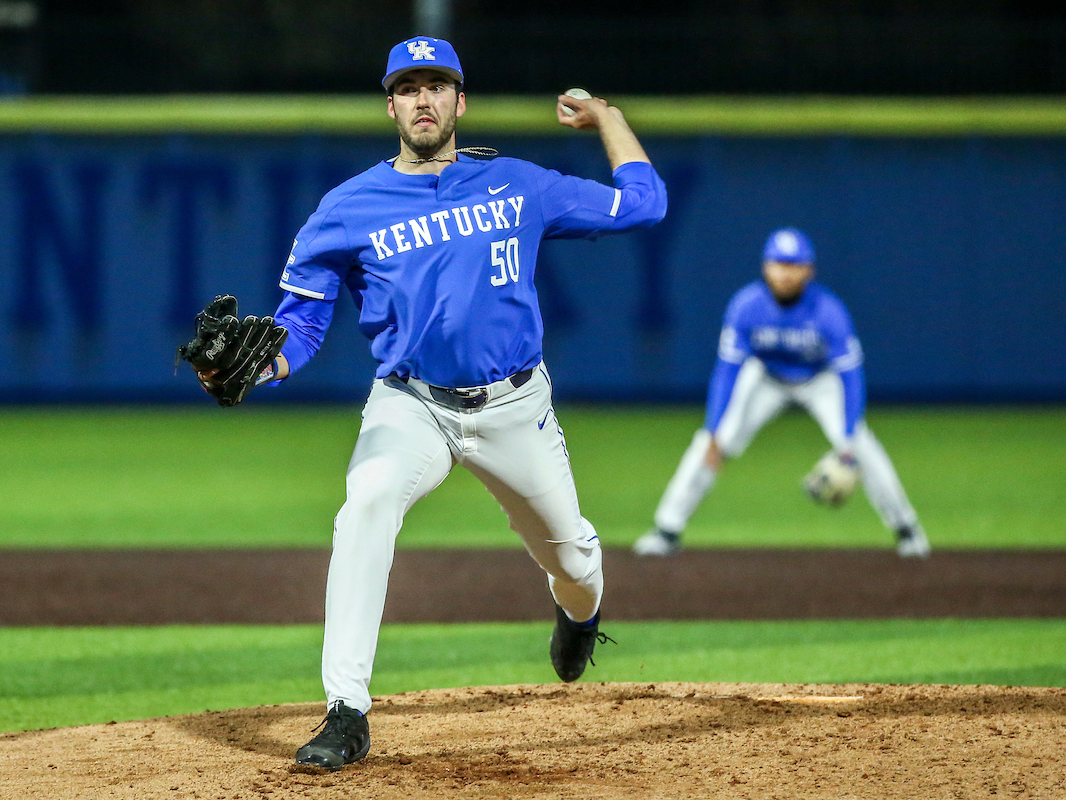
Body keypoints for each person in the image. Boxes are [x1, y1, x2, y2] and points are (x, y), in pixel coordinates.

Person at [199, 37, 667, 769]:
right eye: (409, 87)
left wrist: (606, 117)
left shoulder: (518, 184)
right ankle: (346, 710)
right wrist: (261, 368)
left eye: (437, 85)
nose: (424, 99)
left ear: (460, 100)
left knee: (574, 561)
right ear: (390, 105)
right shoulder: (347, 208)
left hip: (516, 407)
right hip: (409, 403)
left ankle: (580, 617)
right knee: (365, 505)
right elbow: (303, 324)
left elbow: (644, 204)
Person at [633, 227, 930, 560]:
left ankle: (906, 528)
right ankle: (666, 529)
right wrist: (715, 428)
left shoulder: (829, 311)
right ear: (765, 267)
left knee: (861, 445)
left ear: (809, 270)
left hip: (821, 380)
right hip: (764, 378)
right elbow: (726, 373)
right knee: (709, 443)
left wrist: (847, 437)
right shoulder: (746, 306)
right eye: (778, 263)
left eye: (794, 264)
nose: (785, 272)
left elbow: (851, 377)